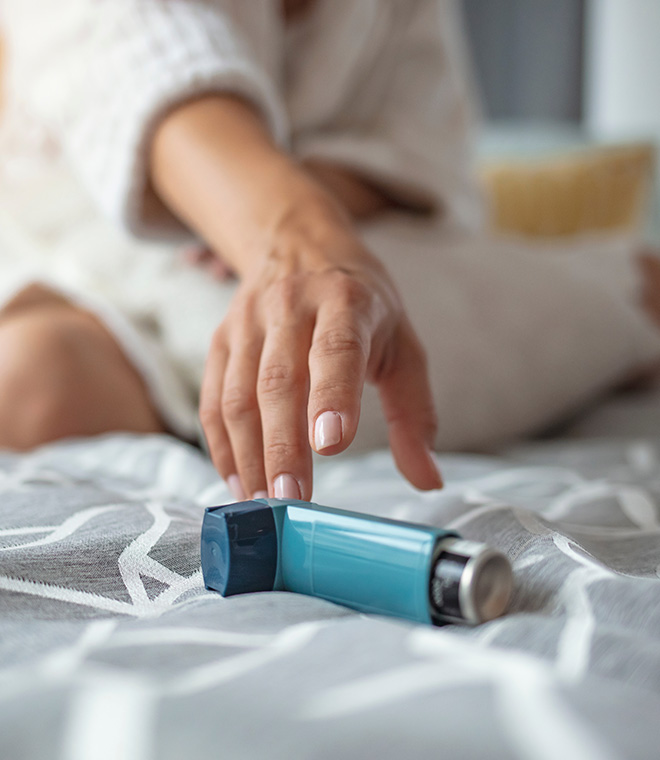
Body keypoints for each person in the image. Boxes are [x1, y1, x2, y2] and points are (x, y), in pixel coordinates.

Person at [0, 0, 659, 503]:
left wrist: (317, 201)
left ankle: (625, 296)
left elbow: (424, 156)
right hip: (88, 246)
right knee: (35, 376)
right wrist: (292, 237)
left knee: (337, 339)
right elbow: (145, 63)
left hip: (362, 246)